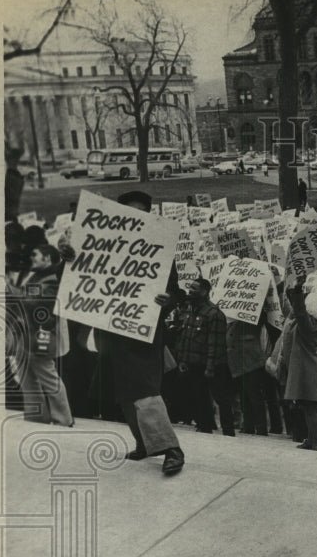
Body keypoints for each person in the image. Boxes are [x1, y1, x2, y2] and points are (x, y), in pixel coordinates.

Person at [94, 190, 184, 476]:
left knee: (145, 391)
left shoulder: (160, 249)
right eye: (130, 213)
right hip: (111, 333)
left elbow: (175, 290)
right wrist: (70, 257)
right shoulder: (103, 246)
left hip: (143, 331)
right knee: (123, 393)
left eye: (140, 213)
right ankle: (144, 443)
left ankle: (171, 449)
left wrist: (168, 299)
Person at [6, 244, 74, 427]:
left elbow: (37, 304)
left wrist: (11, 291)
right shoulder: (38, 277)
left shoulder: (51, 280)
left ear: (47, 259)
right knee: (28, 379)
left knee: (48, 378)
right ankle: (37, 418)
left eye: (36, 255)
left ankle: (64, 419)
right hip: (26, 336)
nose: (32, 258)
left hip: (38, 336)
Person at [173, 277, 234, 437]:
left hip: (211, 365)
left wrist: (210, 367)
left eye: (194, 288)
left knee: (221, 397)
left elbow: (216, 343)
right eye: (190, 288)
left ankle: (228, 431)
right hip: (194, 364)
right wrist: (183, 360)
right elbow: (185, 338)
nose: (190, 291)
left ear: (205, 291)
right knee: (199, 396)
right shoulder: (190, 311)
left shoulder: (214, 314)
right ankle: (204, 425)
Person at [284, 279, 317, 451]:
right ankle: (311, 439)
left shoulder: (307, 325)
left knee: (310, 407)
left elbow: (300, 312)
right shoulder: (311, 324)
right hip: (307, 369)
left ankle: (316, 442)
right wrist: (292, 291)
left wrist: (298, 289)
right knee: (307, 406)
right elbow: (297, 309)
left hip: (307, 371)